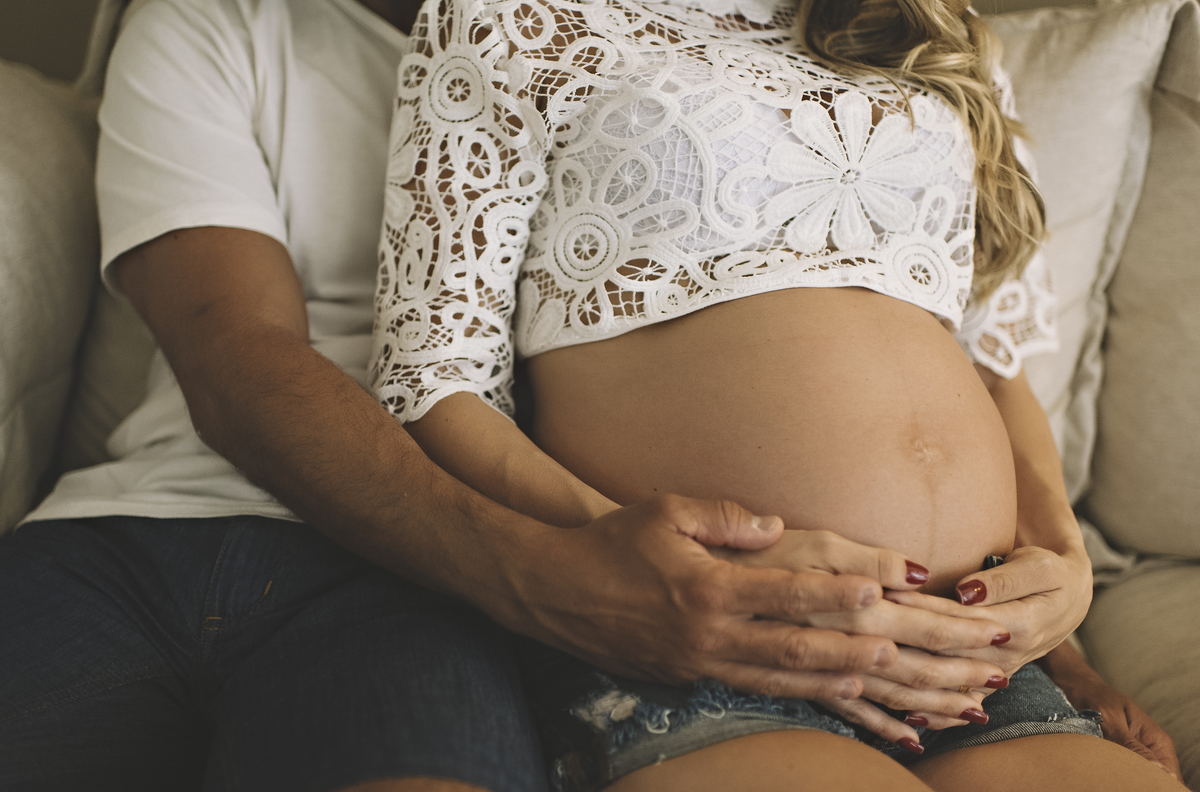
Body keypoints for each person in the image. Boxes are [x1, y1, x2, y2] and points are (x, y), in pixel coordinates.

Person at [0, 0, 1088, 790]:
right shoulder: (255, 27)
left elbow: (982, 352)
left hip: (940, 630)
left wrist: (1065, 602)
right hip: (254, 536)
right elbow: (259, 364)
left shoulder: (880, 50)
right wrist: (591, 571)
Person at [369, 0, 1184, 788]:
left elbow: (992, 361)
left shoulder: (932, 31)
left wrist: (1064, 579)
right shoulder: (513, 18)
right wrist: (634, 554)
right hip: (706, 638)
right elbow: (434, 379)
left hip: (969, 658)